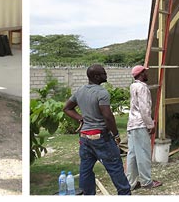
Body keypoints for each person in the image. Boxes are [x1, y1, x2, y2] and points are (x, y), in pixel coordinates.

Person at [63, 64, 131, 195]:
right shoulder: (101, 92)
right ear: (96, 76)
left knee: (85, 170)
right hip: (101, 137)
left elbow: (67, 108)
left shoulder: (80, 90)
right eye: (103, 73)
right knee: (115, 168)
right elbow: (108, 116)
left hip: (85, 138)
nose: (106, 75)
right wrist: (116, 135)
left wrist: (80, 118)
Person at [126, 65, 160, 191]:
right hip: (140, 124)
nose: (147, 74)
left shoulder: (133, 86)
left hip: (132, 124)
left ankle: (131, 183)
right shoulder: (142, 88)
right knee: (143, 153)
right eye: (145, 72)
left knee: (132, 154)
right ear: (141, 74)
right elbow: (144, 108)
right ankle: (147, 182)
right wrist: (150, 125)